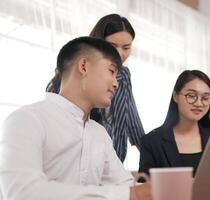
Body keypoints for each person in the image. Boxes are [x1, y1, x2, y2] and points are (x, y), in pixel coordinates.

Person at [0, 37, 151, 200]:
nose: (116, 83)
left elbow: (124, 185)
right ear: (84, 66)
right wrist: (130, 194)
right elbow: (23, 193)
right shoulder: (26, 120)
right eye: (112, 71)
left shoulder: (99, 133)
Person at [46, 14, 144, 163]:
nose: (119, 54)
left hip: (113, 161)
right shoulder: (72, 73)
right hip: (76, 161)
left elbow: (132, 121)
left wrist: (153, 156)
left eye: (126, 48)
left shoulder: (123, 75)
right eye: (112, 47)